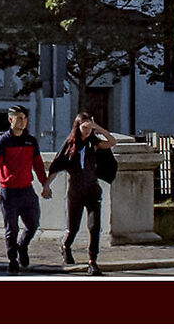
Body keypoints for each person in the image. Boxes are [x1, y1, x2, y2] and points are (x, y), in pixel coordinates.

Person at [0, 105, 53, 273]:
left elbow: (38, 165)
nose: (22, 122)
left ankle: (22, 247)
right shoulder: (3, 141)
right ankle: (12, 261)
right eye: (18, 118)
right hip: (9, 191)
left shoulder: (31, 141)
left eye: (24, 118)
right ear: (10, 120)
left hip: (27, 189)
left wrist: (45, 184)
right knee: (12, 228)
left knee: (33, 224)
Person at [55, 111, 117, 273]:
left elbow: (112, 142)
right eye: (85, 127)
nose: (88, 130)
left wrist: (99, 128)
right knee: (73, 227)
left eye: (90, 127)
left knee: (94, 226)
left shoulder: (94, 143)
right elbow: (57, 163)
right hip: (75, 191)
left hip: (92, 190)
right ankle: (66, 246)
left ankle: (92, 260)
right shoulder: (70, 144)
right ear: (78, 126)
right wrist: (47, 184)